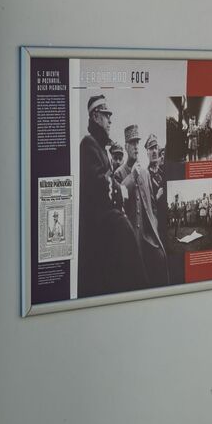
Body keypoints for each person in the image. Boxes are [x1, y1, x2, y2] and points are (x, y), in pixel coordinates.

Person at [78, 95, 137, 297]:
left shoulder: (100, 148)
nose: (110, 120)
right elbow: (98, 183)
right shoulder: (88, 144)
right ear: (95, 116)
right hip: (97, 235)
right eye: (106, 115)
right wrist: (120, 190)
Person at [115, 124, 169, 287]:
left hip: (148, 236)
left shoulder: (145, 173)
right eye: (132, 143)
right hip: (131, 237)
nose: (136, 147)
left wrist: (155, 223)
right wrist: (132, 177)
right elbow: (117, 200)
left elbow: (152, 204)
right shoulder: (119, 173)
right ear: (126, 146)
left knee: (161, 260)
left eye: (137, 143)